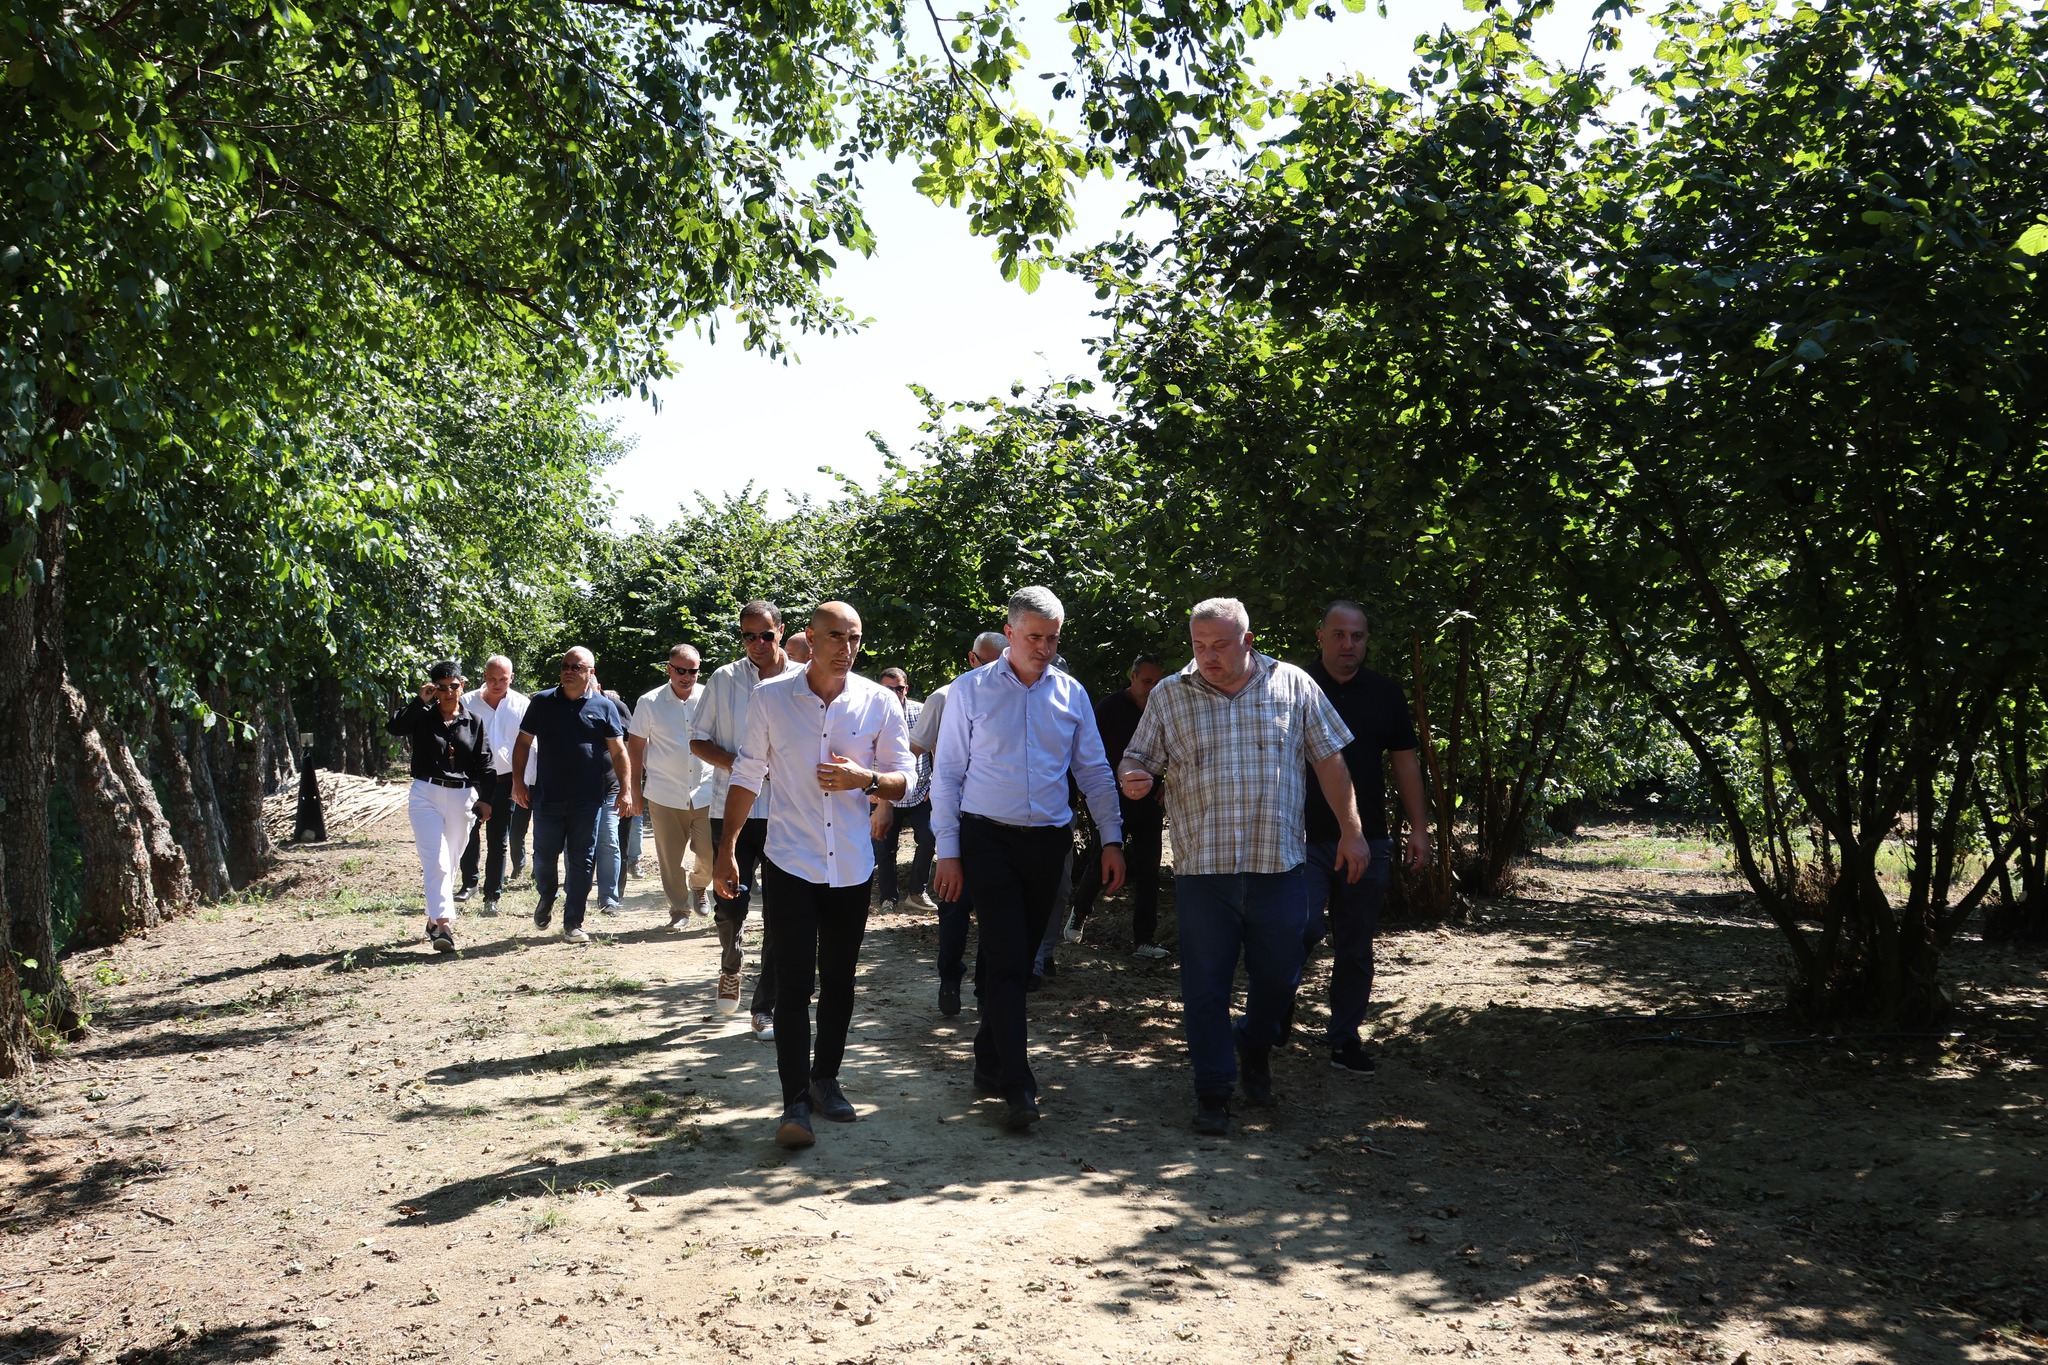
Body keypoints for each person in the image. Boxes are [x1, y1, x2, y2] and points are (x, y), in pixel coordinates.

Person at [1118, 597, 1369, 1135]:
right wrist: (1132, 775)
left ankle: (1254, 1041)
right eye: (1199, 645)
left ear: (1248, 641)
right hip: (1203, 869)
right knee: (1205, 986)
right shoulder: (1170, 694)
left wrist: (1352, 831)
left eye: (1220, 645)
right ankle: (1213, 1091)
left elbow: (1330, 761)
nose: (1207, 656)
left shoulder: (1293, 685)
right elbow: (1138, 757)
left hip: (1277, 865)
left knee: (1279, 978)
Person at [714, 601, 915, 1150]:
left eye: (854, 638)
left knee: (841, 980)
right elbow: (747, 774)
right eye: (834, 637)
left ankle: (826, 1080)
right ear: (808, 637)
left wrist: (865, 778)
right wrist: (726, 849)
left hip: (850, 865)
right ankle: (794, 1103)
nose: (846, 648)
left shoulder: (878, 700)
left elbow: (906, 780)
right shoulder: (771, 697)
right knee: (794, 981)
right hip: (791, 861)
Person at [931, 588, 1125, 1131]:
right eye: (1034, 636)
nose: (1044, 647)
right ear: (1010, 633)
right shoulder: (969, 691)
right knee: (1010, 956)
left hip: (1048, 843)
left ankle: (989, 1056)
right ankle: (1019, 1085)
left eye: (1053, 638)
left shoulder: (1071, 693)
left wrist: (1112, 839)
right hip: (986, 838)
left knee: (1012, 955)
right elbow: (947, 775)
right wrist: (948, 851)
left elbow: (1093, 771)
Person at [1302, 601, 1430, 1077]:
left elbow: (1405, 763)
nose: (1347, 645)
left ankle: (1344, 1039)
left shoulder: (1385, 693)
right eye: (1338, 634)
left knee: (1355, 945)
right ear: (1321, 636)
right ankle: (1271, 1019)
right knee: (1298, 930)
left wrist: (1419, 828)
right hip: (1301, 837)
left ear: (1366, 641)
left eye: (1357, 636)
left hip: (1368, 841)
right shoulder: (1295, 686)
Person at [691, 601, 802, 1036]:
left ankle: (765, 1006)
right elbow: (698, 740)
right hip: (730, 809)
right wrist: (739, 764)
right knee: (730, 905)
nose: (757, 643)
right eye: (748, 636)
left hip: (785, 812)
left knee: (782, 913)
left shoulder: (802, 679)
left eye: (766, 635)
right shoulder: (724, 679)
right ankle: (731, 964)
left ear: (781, 631)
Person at [911, 631, 1007, 1015]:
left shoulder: (1015, 696)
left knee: (995, 910)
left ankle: (986, 989)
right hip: (954, 817)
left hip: (997, 822)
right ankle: (949, 978)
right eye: (987, 662)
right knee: (954, 902)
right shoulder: (944, 696)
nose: (996, 670)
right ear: (971, 659)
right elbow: (915, 748)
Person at [512, 647, 632, 944]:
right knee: (544, 857)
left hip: (588, 799)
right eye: (565, 665)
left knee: (582, 860)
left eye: (576, 667)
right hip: (547, 797)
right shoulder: (542, 702)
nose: (568, 671)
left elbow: (619, 751)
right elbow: (523, 743)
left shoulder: (604, 706)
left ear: (590, 672)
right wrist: (518, 782)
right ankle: (547, 896)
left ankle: (573, 922)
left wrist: (626, 790)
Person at [387, 660, 494, 953]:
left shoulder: (474, 721)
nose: (448, 693)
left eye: (453, 686)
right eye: (441, 688)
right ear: (433, 689)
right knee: (436, 861)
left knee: (451, 861)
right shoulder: (422, 717)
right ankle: (444, 927)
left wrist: (486, 798)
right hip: (426, 794)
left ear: (463, 685)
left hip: (462, 796)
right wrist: (419, 701)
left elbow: (485, 762)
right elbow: (395, 727)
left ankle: (433, 920)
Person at [1068, 654, 1169, 957]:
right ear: (1132, 677)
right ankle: (1080, 912)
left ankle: (1144, 939)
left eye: (1158, 683)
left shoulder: (1164, 708)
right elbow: (1087, 753)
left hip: (1149, 799)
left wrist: (1166, 781)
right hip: (1112, 798)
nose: (1152, 689)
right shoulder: (1109, 708)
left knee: (1150, 867)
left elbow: (1175, 749)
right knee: (1102, 857)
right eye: (1147, 681)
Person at [630, 643, 717, 928]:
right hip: (664, 793)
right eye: (681, 670)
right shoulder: (649, 702)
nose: (687, 676)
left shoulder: (709, 697)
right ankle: (679, 910)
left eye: (693, 671)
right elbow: (635, 748)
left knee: (709, 853)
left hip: (705, 792)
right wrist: (634, 791)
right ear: (669, 669)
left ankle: (699, 885)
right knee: (670, 859)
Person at [456, 655, 528, 915]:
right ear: (484, 676)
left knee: (499, 838)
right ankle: (469, 883)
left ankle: (492, 895)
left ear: (512, 678)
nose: (497, 684)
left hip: (506, 780)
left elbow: (529, 744)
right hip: (472, 780)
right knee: (468, 832)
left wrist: (523, 781)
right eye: (492, 679)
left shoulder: (522, 705)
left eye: (503, 679)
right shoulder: (466, 702)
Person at [869, 668, 933, 911]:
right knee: (885, 847)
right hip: (883, 792)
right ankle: (888, 897)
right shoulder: (869, 714)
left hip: (919, 791)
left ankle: (917, 892)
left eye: (899, 688)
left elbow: (937, 746)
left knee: (929, 838)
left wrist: (935, 783)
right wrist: (869, 788)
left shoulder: (921, 711)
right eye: (889, 689)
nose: (895, 693)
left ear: (906, 688)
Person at [593, 682, 633, 913]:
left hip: (612, 788)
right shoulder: (564, 705)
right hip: (577, 790)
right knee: (576, 845)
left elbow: (627, 746)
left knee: (610, 841)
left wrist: (629, 787)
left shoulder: (615, 707)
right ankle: (576, 895)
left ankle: (610, 897)